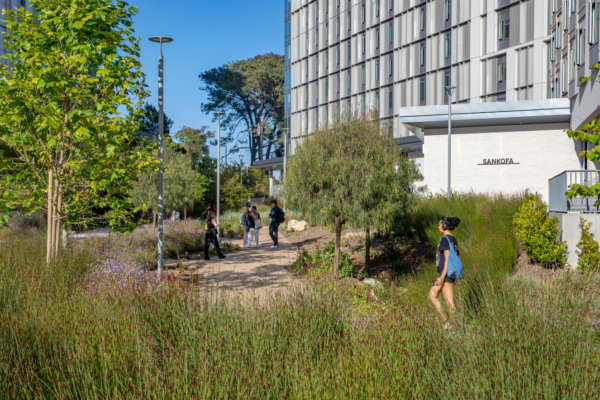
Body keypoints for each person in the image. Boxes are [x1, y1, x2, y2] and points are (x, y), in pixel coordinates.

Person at [428, 216, 461, 327]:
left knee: (450, 303)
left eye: (439, 224)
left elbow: (448, 259)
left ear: (444, 225)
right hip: (447, 275)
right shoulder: (453, 239)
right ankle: (446, 322)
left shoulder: (445, 239)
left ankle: (455, 329)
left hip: (446, 275)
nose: (438, 226)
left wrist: (442, 277)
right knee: (432, 294)